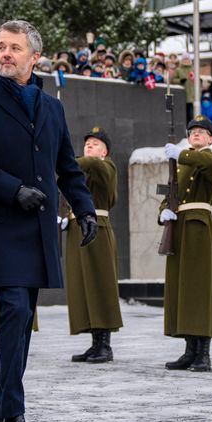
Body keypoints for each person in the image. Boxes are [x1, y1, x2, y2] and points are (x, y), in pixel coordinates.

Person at [0, 19, 97, 422]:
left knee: (23, 319)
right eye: (1, 46)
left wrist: (85, 208)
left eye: (15, 48)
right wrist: (11, 189)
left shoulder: (52, 108)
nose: (6, 54)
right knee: (13, 309)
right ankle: (14, 414)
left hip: (37, 228)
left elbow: (67, 166)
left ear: (35, 57)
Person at [159, 116, 212, 372]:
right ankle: (189, 348)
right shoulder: (182, 163)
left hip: (198, 225)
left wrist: (180, 155)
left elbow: (207, 163)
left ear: (211, 138)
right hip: (179, 226)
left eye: (202, 132)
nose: (196, 135)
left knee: (200, 288)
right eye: (193, 132)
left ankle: (204, 352)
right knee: (182, 288)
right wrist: (164, 210)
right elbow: (170, 191)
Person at [64, 127, 123, 363]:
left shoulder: (106, 167)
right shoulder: (81, 169)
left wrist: (71, 160)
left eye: (96, 143)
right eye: (87, 142)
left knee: (100, 286)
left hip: (97, 225)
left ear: (105, 151)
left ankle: (105, 345)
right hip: (77, 227)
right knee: (83, 287)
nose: (90, 145)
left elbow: (94, 168)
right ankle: (94, 342)